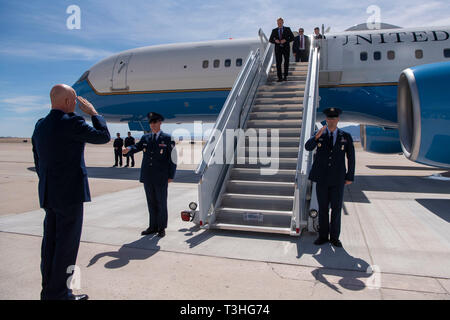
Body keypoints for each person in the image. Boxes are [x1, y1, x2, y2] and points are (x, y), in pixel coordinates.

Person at [32, 84, 110, 300]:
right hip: (70, 195)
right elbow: (103, 136)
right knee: (66, 246)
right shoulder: (73, 122)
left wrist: (49, 182)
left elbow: (37, 159)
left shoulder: (40, 125)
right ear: (68, 102)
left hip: (49, 193)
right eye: (74, 100)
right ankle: (60, 294)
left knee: (50, 245)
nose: (76, 104)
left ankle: (48, 291)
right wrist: (94, 113)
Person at [304, 107, 355, 248]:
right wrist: (315, 137)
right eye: (329, 118)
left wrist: (350, 176)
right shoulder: (319, 134)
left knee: (337, 209)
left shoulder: (346, 136)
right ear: (326, 119)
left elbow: (351, 157)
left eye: (334, 118)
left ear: (338, 119)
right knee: (323, 208)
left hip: (338, 179)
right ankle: (322, 236)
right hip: (322, 179)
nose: (331, 120)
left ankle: (334, 238)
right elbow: (307, 147)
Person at [123, 112, 177, 238]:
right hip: (148, 176)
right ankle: (152, 226)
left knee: (161, 202)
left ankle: (161, 227)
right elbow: (136, 147)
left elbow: (173, 159)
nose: (152, 125)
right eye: (151, 123)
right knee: (151, 202)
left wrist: (171, 175)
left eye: (154, 122)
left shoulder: (168, 138)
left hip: (161, 176)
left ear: (160, 123)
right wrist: (128, 150)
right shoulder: (145, 138)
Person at [269, 17, 295, 82]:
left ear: (283, 22)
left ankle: (285, 76)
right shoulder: (274, 30)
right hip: (278, 49)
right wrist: (275, 41)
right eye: (278, 23)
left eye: (280, 23)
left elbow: (292, 38)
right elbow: (270, 40)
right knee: (278, 63)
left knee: (286, 62)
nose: (279, 24)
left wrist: (286, 40)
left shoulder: (287, 29)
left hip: (286, 48)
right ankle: (279, 78)